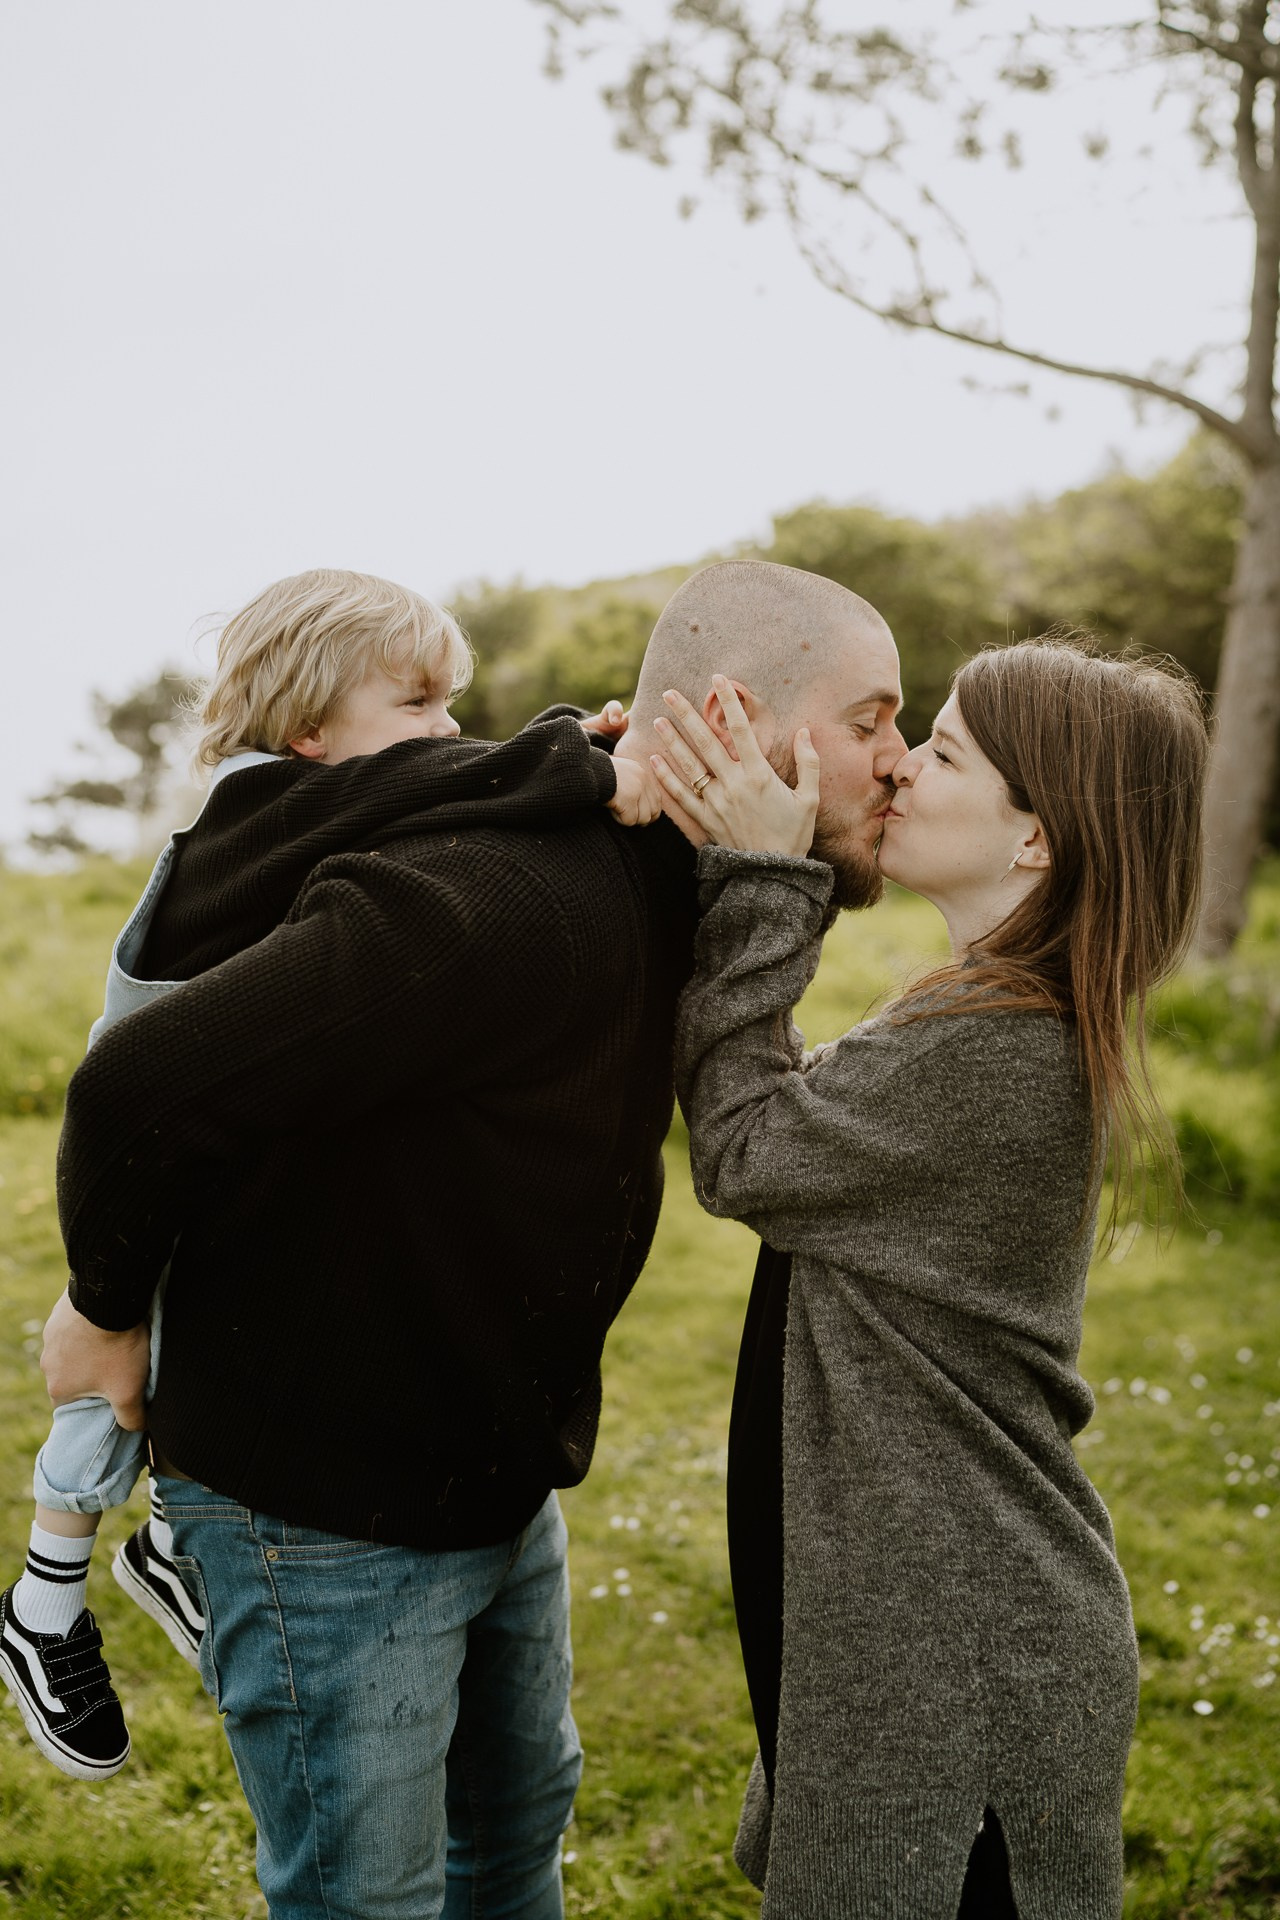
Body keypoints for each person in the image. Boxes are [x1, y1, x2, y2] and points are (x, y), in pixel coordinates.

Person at [41, 558, 907, 1920]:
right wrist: (98, 1311)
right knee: (365, 1900)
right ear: (741, 718)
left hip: (489, 1478)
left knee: (509, 1846)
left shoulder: (652, 875)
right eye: (874, 722)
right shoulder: (504, 902)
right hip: (324, 1507)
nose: (898, 763)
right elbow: (143, 1087)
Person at [0, 565, 651, 1783]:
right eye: (416, 704)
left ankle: (161, 1557)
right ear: (308, 728)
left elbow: (441, 786)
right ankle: (42, 1606)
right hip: (155, 1162)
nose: (447, 735)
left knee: (165, 1370)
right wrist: (586, 765)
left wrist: (568, 738)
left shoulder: (326, 805)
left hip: (221, 1169)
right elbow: (443, 786)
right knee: (107, 1376)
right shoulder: (260, 811)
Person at [652, 641, 1208, 1920]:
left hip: (961, 1649)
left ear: (1035, 842)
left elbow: (743, 1146)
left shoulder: (998, 1048)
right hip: (934, 1616)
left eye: (943, 751)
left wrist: (763, 878)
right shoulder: (983, 1008)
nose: (897, 762)